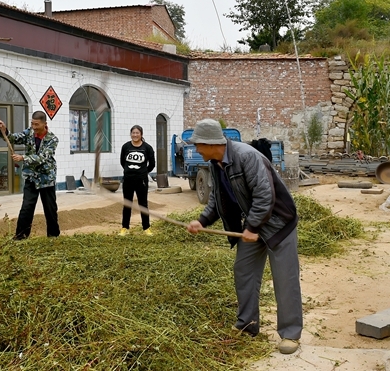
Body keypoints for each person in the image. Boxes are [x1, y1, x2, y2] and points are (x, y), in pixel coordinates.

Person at [185, 118, 302, 355]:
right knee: (244, 271)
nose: (196, 149)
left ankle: (290, 333)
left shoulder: (247, 157)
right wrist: (202, 221)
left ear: (210, 143)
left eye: (198, 144)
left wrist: (253, 226)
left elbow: (264, 195)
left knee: (284, 279)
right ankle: (247, 325)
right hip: (253, 226)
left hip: (279, 225)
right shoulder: (215, 165)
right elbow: (218, 201)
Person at [0, 111, 60, 240]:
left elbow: (43, 157)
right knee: (26, 208)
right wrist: (4, 130)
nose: (34, 127)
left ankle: (53, 236)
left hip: (46, 178)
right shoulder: (29, 132)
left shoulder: (52, 139)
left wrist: (23, 158)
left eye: (37, 124)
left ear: (45, 124)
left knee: (50, 209)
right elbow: (14, 138)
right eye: (32, 124)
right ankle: (20, 237)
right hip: (31, 177)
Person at [119, 125, 156, 236]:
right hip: (128, 180)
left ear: (141, 134)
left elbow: (152, 164)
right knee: (127, 204)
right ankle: (125, 227)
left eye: (137, 133)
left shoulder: (147, 148)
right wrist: (129, 171)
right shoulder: (125, 147)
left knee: (143, 204)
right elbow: (122, 162)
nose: (135, 135)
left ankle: (146, 228)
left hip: (142, 181)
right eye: (133, 133)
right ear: (131, 134)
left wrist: (144, 172)